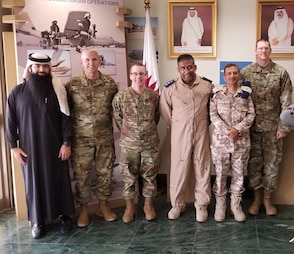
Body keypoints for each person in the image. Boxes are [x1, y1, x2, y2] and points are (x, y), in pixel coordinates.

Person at [6, 53, 74, 239]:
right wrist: (13, 145)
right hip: (30, 149)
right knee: (34, 184)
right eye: (37, 67)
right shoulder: (17, 92)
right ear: (30, 68)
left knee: (59, 181)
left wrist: (67, 143)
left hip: (56, 147)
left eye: (45, 67)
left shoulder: (58, 91)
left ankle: (65, 217)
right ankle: (39, 221)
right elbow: (10, 120)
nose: (41, 70)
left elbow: (66, 118)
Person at [65, 49, 118, 227]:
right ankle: (84, 211)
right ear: (81, 62)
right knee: (82, 176)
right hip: (81, 140)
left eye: (94, 59)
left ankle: (103, 207)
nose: (91, 63)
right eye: (87, 60)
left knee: (105, 173)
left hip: (105, 139)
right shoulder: (72, 85)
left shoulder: (110, 84)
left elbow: (116, 110)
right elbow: (66, 113)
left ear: (99, 61)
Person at [240, 39, 293, 216]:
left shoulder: (281, 73)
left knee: (272, 165)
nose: (263, 51)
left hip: (273, 129)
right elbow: (240, 101)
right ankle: (256, 199)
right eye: (260, 48)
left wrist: (283, 126)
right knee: (254, 165)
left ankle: (268, 199)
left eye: (266, 48)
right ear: (255, 51)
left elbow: (286, 101)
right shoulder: (245, 73)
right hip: (252, 128)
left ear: (270, 51)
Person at [159, 54, 213, 222]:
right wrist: (179, 125)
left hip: (201, 132)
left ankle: (201, 205)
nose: (186, 71)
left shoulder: (207, 86)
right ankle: (177, 205)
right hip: (179, 133)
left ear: (194, 67)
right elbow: (166, 113)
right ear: (178, 70)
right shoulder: (170, 88)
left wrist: (202, 123)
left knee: (202, 166)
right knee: (178, 169)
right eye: (183, 68)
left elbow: (212, 111)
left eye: (189, 67)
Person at [112, 63, 160, 222]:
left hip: (149, 144)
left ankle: (148, 205)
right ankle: (129, 207)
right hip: (129, 145)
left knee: (150, 176)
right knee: (128, 177)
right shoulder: (121, 97)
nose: (138, 77)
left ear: (146, 76)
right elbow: (118, 119)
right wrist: (131, 134)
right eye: (135, 74)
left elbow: (156, 117)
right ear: (130, 76)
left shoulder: (153, 96)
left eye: (141, 74)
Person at [210, 64, 255, 222]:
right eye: (229, 73)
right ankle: (220, 204)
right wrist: (227, 131)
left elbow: (251, 115)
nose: (232, 76)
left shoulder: (246, 94)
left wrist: (237, 129)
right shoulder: (216, 94)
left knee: (239, 175)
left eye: (235, 73)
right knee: (220, 175)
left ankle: (235, 205)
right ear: (224, 76)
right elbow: (213, 115)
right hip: (221, 143)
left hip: (240, 142)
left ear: (239, 75)